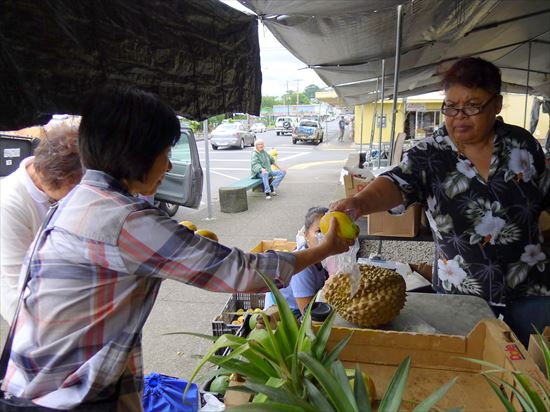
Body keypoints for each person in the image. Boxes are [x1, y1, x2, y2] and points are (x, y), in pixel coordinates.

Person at [0, 85, 352, 410]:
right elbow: (242, 273)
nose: (168, 166)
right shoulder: (124, 220)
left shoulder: (77, 200)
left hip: (34, 385)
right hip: (63, 399)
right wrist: (324, 249)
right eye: (165, 153)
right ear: (136, 153)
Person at [331, 57, 550, 346]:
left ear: (496, 105)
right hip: (462, 293)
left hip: (530, 287)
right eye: (451, 106)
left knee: (531, 374)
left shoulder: (523, 145)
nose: (459, 115)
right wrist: (358, 203)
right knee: (469, 369)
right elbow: (397, 182)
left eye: (472, 105)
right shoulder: (430, 153)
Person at [0, 123, 83, 325]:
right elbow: (15, 280)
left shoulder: (62, 183)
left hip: (64, 295)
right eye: (74, 187)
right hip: (28, 311)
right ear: (54, 179)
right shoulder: (9, 203)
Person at [264, 207, 329, 317]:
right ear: (306, 235)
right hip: (285, 314)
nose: (324, 237)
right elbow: (308, 315)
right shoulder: (303, 268)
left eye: (329, 231)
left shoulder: (326, 258)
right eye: (319, 231)